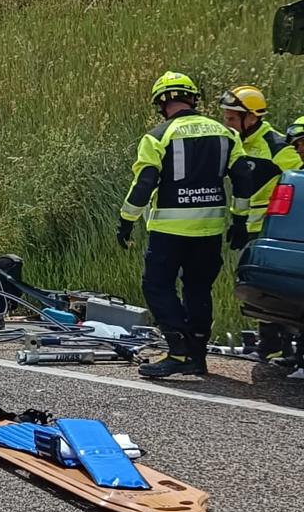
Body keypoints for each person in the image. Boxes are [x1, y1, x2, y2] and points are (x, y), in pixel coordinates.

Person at [118, 71, 243, 380]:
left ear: (162, 103)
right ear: (192, 99)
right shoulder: (226, 134)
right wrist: (240, 219)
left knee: (157, 286)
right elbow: (244, 180)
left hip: (170, 231)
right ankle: (197, 357)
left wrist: (126, 220)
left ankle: (177, 351)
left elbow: (144, 183)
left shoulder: (158, 136)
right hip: (210, 229)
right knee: (199, 289)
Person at [219, 85, 303, 374]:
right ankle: (270, 345)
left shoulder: (275, 146)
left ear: (251, 118)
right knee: (261, 292)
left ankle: (277, 346)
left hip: (270, 230)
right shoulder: (237, 141)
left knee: (274, 291)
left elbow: (297, 177)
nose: (227, 123)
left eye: (232, 118)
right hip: (248, 227)